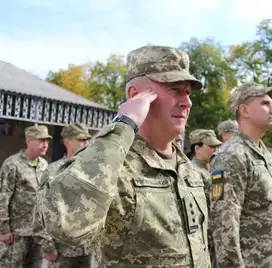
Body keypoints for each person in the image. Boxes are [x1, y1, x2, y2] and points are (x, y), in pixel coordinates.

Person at [38, 45, 211, 267]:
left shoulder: (187, 169)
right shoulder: (112, 164)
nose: (187, 102)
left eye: (187, 93)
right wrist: (124, 123)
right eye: (175, 90)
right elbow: (67, 223)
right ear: (135, 95)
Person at [210, 82, 272, 268]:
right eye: (265, 103)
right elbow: (224, 223)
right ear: (245, 110)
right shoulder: (230, 156)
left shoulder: (264, 153)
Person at [35, 123, 94, 268]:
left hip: (89, 249)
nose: (86, 143)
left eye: (88, 139)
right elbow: (41, 212)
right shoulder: (53, 171)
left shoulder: (93, 171)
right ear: (67, 141)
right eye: (81, 140)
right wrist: (48, 246)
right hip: (63, 250)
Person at [0, 125, 57, 268]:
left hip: (38, 233)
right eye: (41, 140)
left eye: (47, 141)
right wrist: (3, 230)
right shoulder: (12, 164)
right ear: (29, 141)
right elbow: (3, 197)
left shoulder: (44, 165)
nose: (45, 145)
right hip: (17, 232)